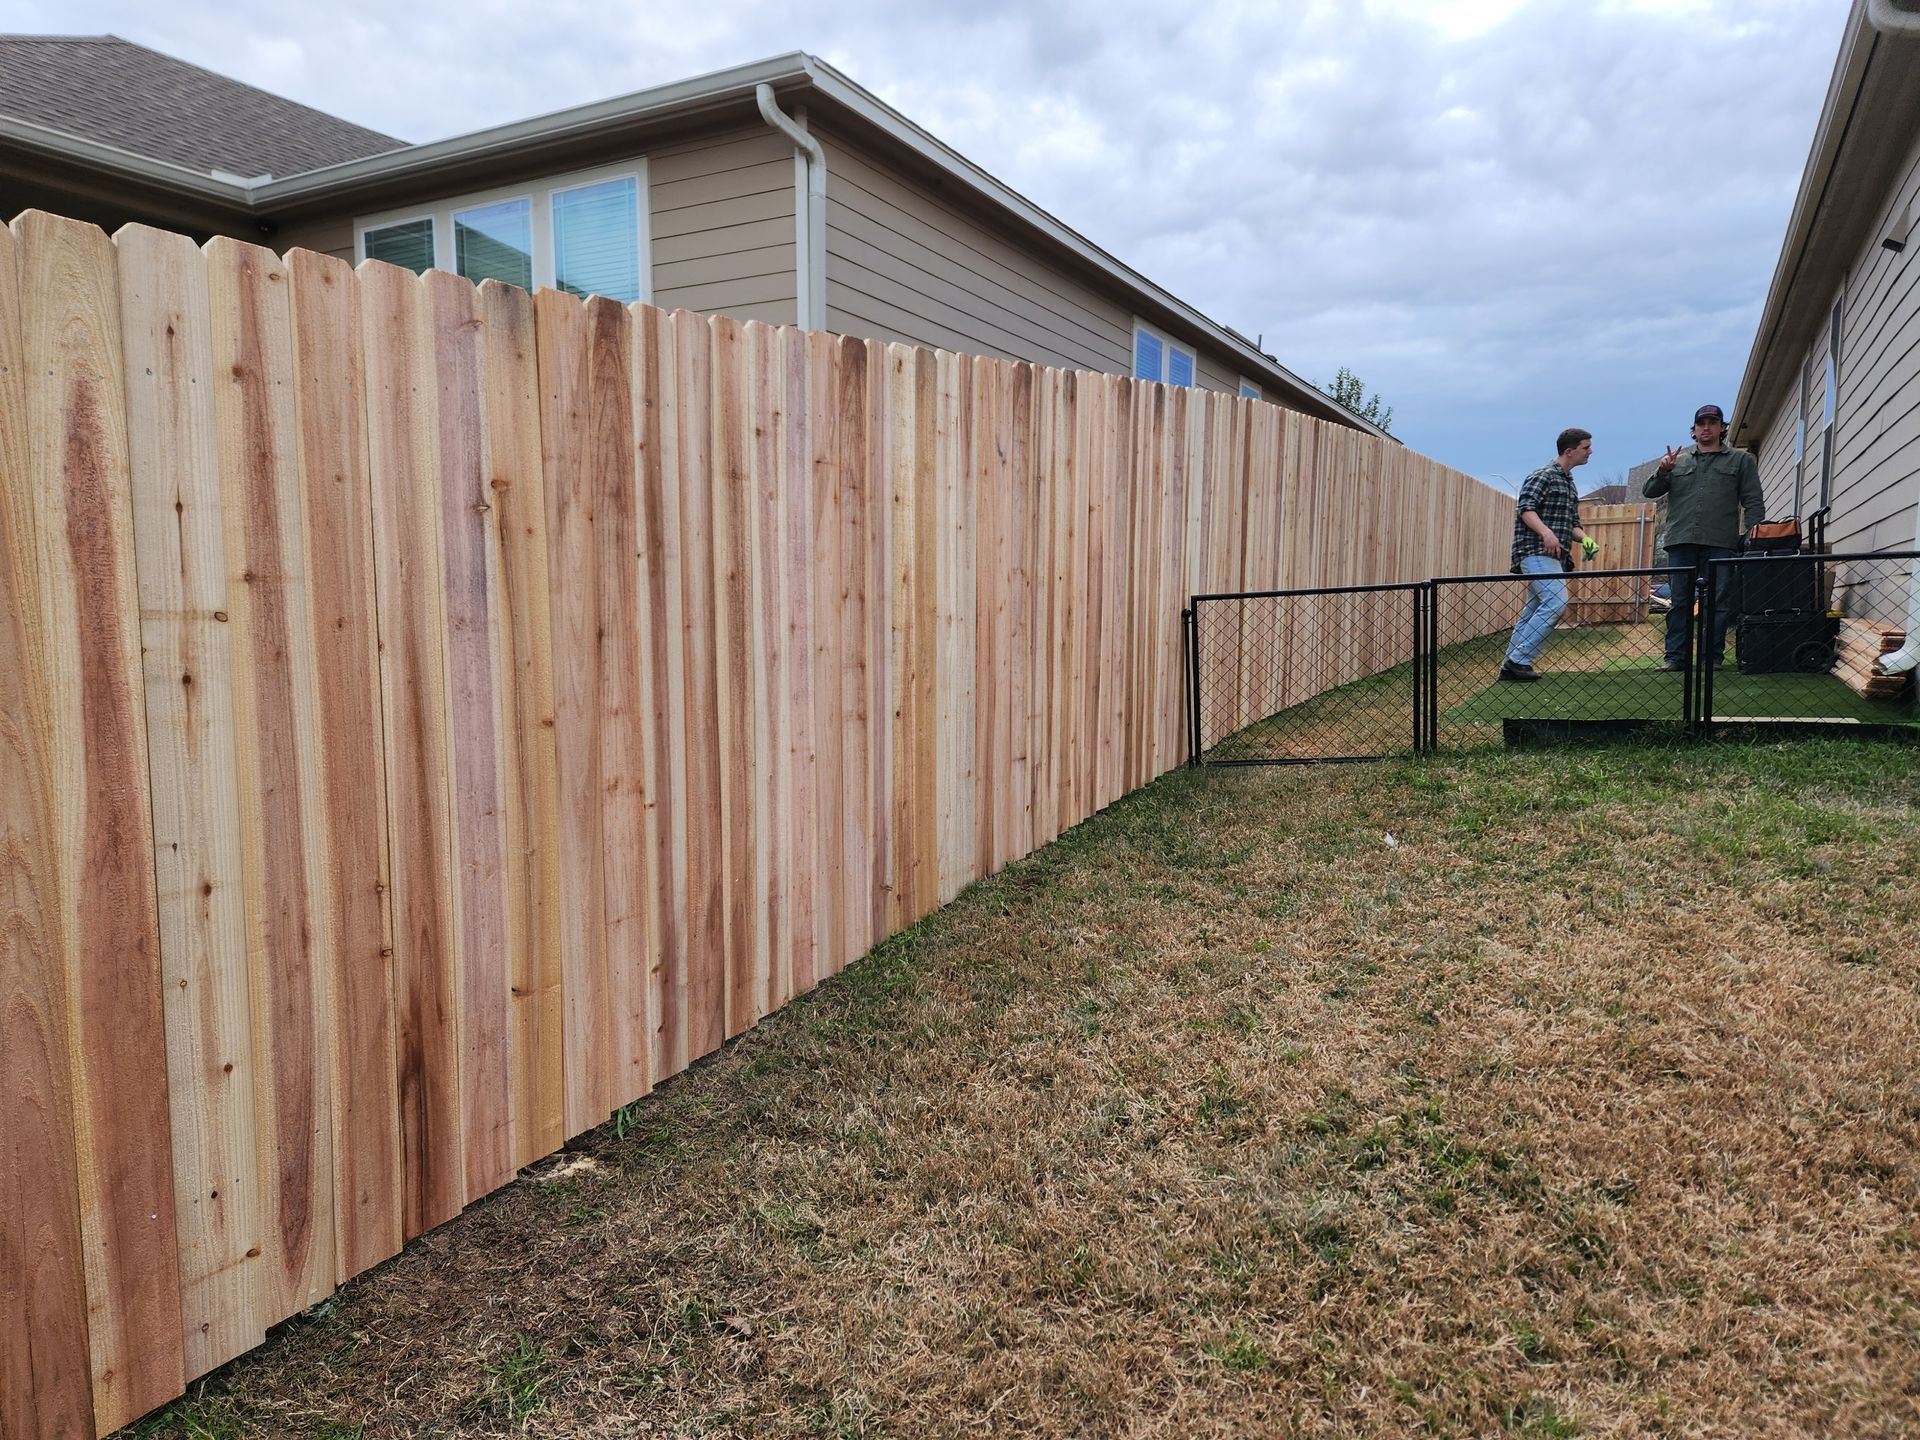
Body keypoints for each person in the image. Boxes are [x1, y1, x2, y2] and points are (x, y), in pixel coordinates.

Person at [1642, 404, 1764, 670]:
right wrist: (1663, 470)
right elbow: (1649, 492)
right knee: (1680, 602)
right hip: (1680, 541)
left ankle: (1711, 658)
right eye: (1701, 423)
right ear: (1694, 430)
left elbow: (1753, 500)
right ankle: (1676, 658)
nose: (1706, 427)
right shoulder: (1678, 462)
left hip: (1720, 542)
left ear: (1722, 428)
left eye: (1712, 422)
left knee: (1717, 602)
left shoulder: (1740, 461)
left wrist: (1754, 534)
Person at [1501, 428, 1598, 682]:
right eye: (1586, 447)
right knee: (1556, 602)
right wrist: (1546, 533)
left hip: (1554, 557)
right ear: (1569, 450)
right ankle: (1519, 660)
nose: (1591, 452)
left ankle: (1509, 665)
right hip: (1533, 551)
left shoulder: (1569, 482)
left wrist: (1586, 539)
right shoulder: (1542, 475)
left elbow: (1572, 524)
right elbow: (1525, 509)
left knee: (1533, 610)